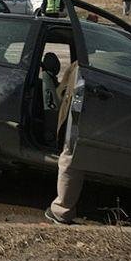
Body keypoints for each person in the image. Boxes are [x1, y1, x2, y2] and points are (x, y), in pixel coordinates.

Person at [45, 63, 84, 225]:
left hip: (80, 116)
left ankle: (62, 210)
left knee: (71, 155)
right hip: (82, 115)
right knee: (72, 156)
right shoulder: (83, 65)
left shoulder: (79, 65)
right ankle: (61, 211)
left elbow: (61, 93)